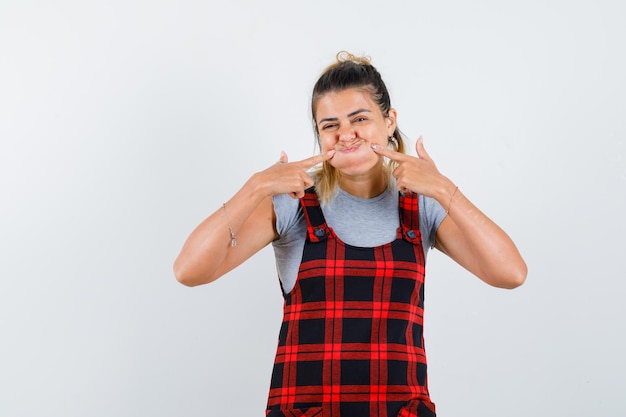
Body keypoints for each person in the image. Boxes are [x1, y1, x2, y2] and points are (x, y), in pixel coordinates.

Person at [173, 51, 527, 417]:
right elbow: (189, 270)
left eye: (359, 118)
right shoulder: (294, 203)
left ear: (389, 122)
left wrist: (445, 190)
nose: (346, 134)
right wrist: (255, 186)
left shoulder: (421, 206)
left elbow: (510, 273)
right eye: (330, 125)